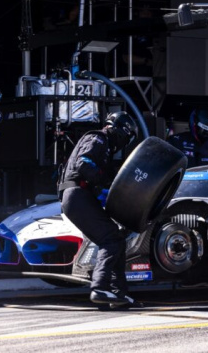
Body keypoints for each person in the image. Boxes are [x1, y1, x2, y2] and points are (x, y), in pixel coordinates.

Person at [58, 111, 139, 308]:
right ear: (121, 130)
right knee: (110, 239)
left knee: (116, 239)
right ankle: (100, 287)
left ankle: (118, 292)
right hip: (77, 195)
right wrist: (107, 184)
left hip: (80, 196)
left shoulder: (105, 145)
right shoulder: (98, 138)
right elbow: (84, 164)